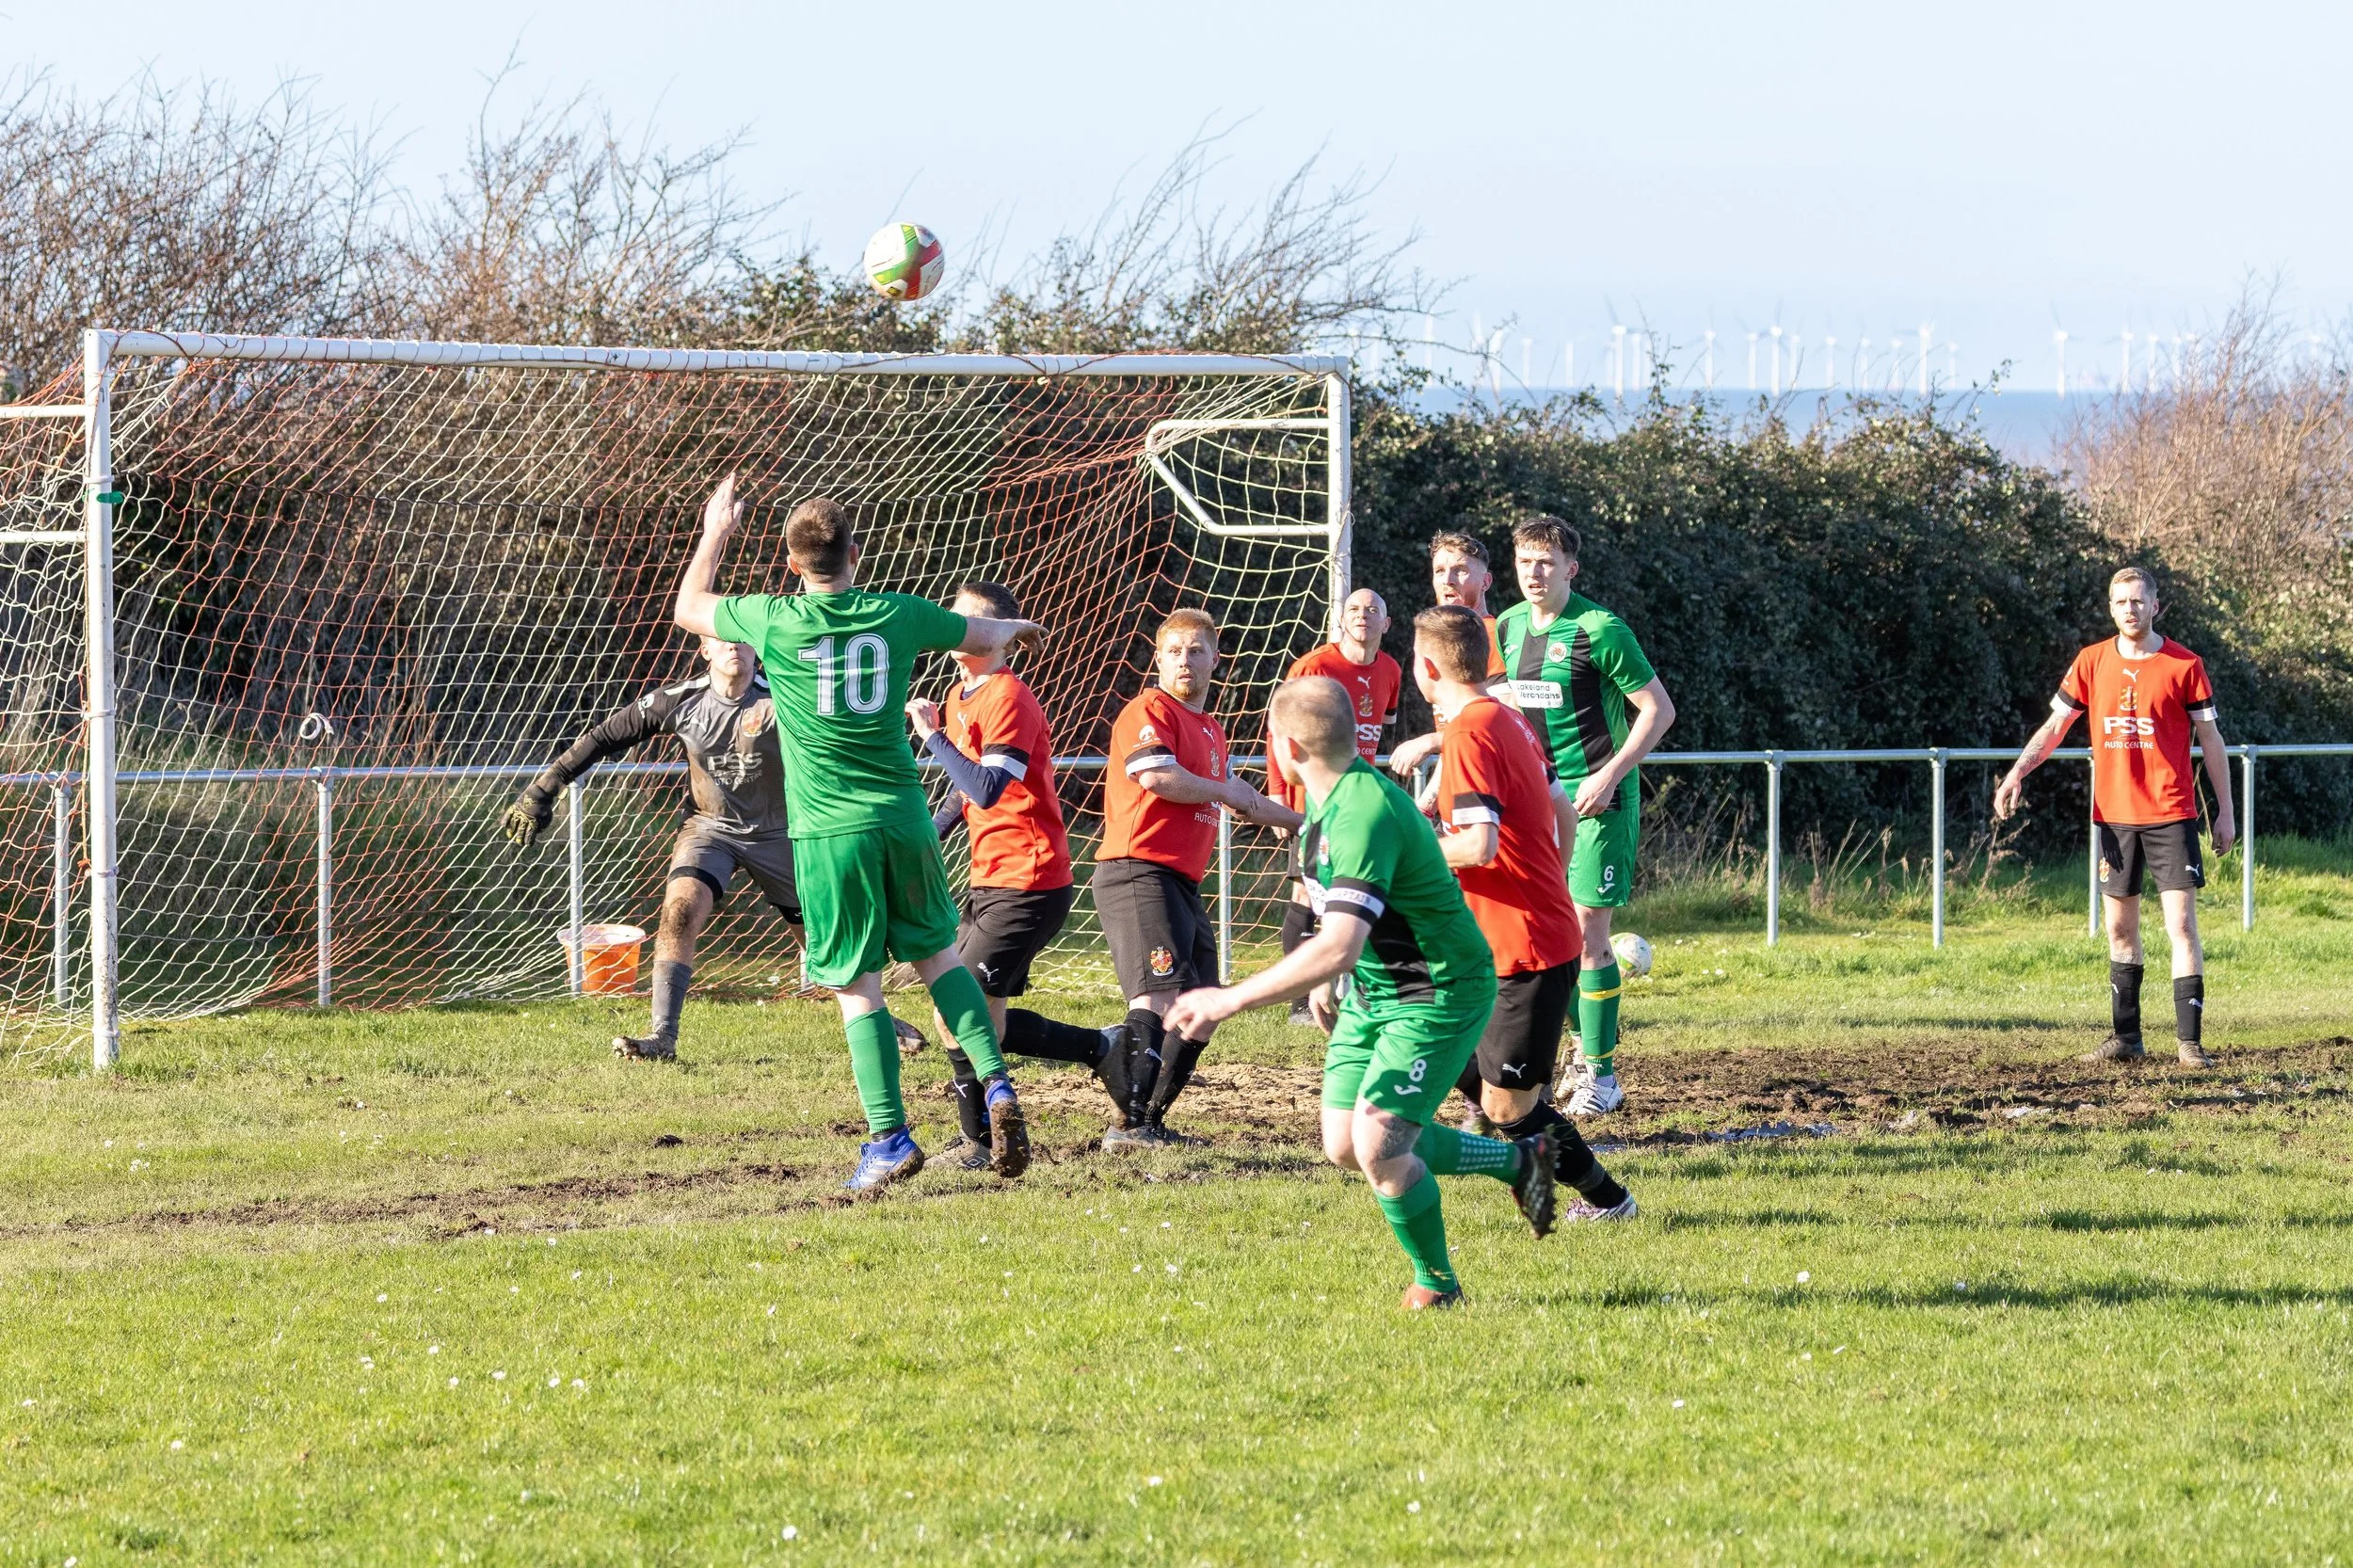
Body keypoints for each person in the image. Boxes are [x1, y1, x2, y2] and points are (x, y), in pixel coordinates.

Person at [673, 475, 1048, 1192]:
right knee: (940, 957)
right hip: (904, 818)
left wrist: (718, 529)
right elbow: (985, 632)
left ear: (790, 563)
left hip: (828, 830)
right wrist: (1013, 630)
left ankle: (888, 1137)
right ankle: (997, 1087)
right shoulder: (902, 613)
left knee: (856, 985)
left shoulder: (774, 620)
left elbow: (690, 607)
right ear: (858, 553)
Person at [1165, 676, 1559, 1310]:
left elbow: (1341, 943)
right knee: (1345, 1144)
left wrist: (1228, 998)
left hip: (1439, 990)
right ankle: (1521, 1162)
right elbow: (1343, 922)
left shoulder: (1362, 810)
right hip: (1376, 991)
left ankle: (1438, 1283)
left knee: (1380, 1145)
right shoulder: (1330, 799)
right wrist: (1329, 978)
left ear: (1286, 746)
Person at [503, 634, 833, 1061]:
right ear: (705, 650)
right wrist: (544, 787)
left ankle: (880, 1021)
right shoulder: (678, 700)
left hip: (780, 833)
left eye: (743, 639)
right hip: (709, 830)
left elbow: (836, 752)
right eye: (722, 639)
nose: (734, 646)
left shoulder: (785, 700)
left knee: (823, 945)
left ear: (758, 649)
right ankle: (662, 1038)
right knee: (680, 911)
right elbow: (603, 737)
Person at [1416, 604, 1636, 1221]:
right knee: (1445, 1047)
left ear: (1426, 667)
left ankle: (1609, 1202)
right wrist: (1552, 877)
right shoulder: (1506, 718)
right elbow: (1564, 809)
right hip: (1503, 938)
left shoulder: (1469, 733)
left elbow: (1477, 844)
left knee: (1511, 1108)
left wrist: (1407, 854)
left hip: (1526, 949)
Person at [907, 581, 1126, 1168]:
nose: (954, 626)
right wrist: (928, 837)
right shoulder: (958, 697)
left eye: (966, 618)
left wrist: (931, 738)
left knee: (957, 1010)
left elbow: (988, 785)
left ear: (997, 632)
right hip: (991, 877)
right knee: (987, 1024)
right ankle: (1101, 1047)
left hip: (1029, 881)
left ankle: (978, 1143)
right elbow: (964, 795)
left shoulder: (1009, 696)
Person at [1993, 567, 2235, 1067]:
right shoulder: (2091, 662)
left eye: (2138, 601)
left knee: (2181, 927)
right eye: (2121, 601)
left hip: (2171, 813)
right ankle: (2126, 1038)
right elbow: (2057, 724)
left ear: (2156, 606)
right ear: (2111, 607)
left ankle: (2189, 1045)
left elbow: (2211, 741)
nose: (2130, 609)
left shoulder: (2185, 664)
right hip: (2113, 818)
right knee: (2120, 930)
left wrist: (2226, 813)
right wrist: (2018, 771)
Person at [1093, 608, 1301, 1147]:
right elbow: (1159, 777)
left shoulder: (1211, 729)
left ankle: (1148, 1118)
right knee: (1158, 999)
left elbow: (1244, 798)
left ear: (1215, 659)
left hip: (1180, 882)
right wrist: (1222, 790)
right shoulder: (1149, 709)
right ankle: (1129, 1123)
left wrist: (1307, 822)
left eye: (1197, 650)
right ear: (1158, 658)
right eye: (1175, 650)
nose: (1186, 659)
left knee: (1204, 1002)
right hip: (1138, 870)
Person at [1493, 515, 1675, 1116]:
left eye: (1546, 562)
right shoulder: (1512, 626)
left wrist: (1609, 774)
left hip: (1600, 800)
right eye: (1525, 562)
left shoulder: (1600, 628)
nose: (1535, 573)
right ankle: (1578, 1049)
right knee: (1547, 935)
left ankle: (1602, 1076)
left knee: (1588, 928)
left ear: (1571, 567)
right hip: (1538, 806)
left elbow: (1658, 710)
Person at [1268, 588, 1402, 1025]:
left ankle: (1364, 992)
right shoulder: (1315, 667)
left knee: (1360, 889)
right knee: (1308, 892)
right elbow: (1279, 731)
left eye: (1372, 610)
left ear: (1386, 623)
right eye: (1353, 610)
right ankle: (1300, 1005)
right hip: (1316, 800)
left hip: (1361, 803)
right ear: (1341, 621)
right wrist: (1276, 793)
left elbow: (1383, 735)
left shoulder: (1391, 670)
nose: (1362, 616)